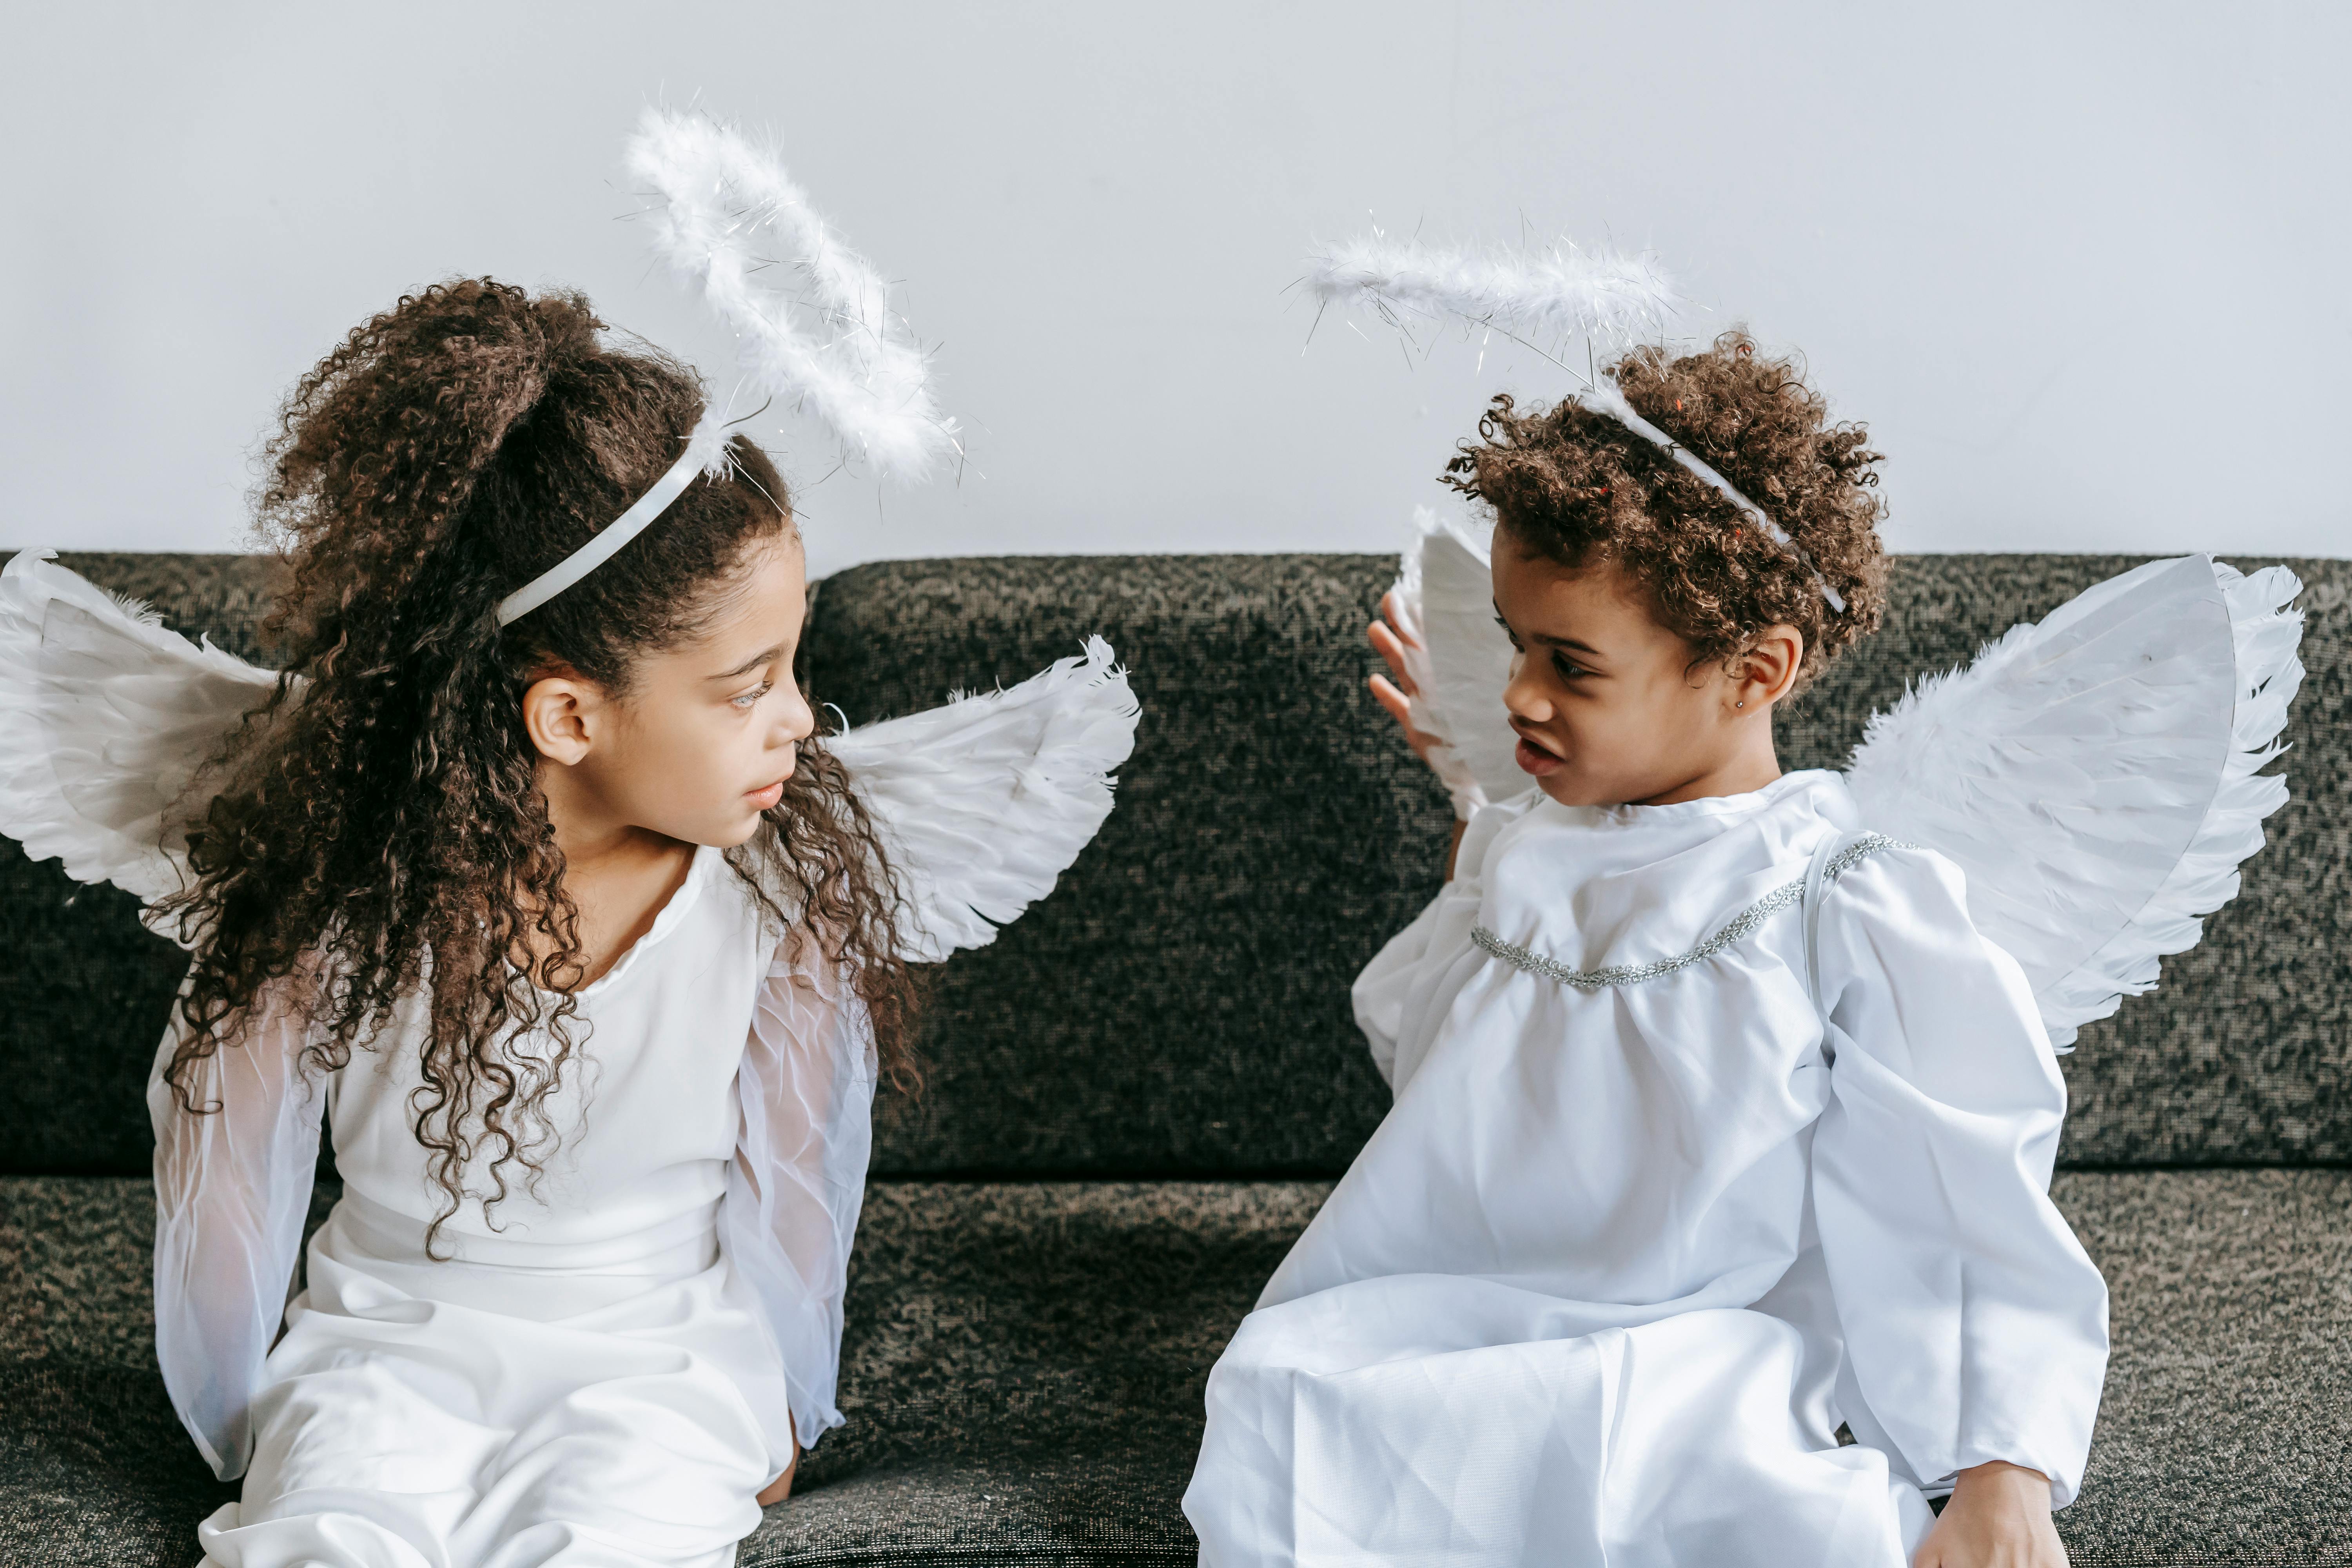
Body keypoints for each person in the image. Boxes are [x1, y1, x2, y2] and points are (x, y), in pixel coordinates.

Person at [0, 278, 1136, 1568]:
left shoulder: (779, 894)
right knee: (326, 1542)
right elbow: (225, 1164)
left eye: (796, 667)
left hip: (654, 1359)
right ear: (570, 720)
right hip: (389, 1347)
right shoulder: (345, 892)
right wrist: (240, 1413)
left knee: (608, 1541)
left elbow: (800, 1180)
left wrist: (780, 1404)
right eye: (748, 687)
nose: (802, 721)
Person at [1183, 330, 2296, 1568]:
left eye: (1572, 665)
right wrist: (1477, 839)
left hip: (1714, 1331)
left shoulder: (1843, 900)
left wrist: (2001, 1473)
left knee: (1722, 1479)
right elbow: (1452, 1087)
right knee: (1290, 1404)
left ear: (1753, 670)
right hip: (1465, 1303)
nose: (1515, 695)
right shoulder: (1521, 848)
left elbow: (1954, 1190)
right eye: (1513, 643)